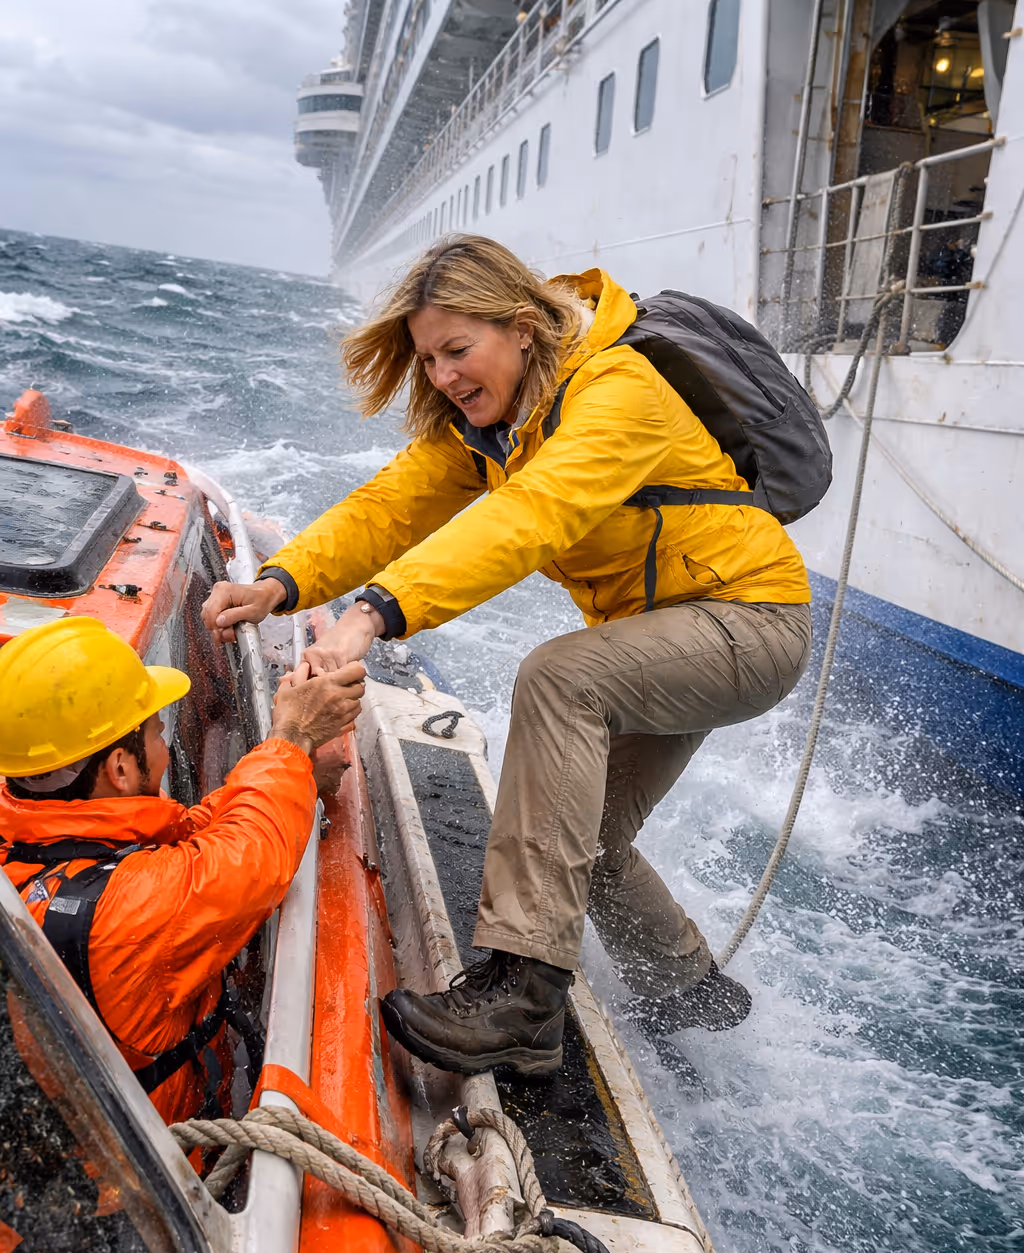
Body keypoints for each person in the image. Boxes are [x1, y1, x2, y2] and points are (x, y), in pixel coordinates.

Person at [201, 235, 813, 1078]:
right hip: (665, 630)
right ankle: (690, 998)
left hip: (750, 621)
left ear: (523, 327)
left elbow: (529, 518)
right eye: (429, 359)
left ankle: (523, 999)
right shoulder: (498, 424)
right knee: (587, 834)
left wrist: (373, 614)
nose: (443, 376)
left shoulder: (619, 390)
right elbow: (391, 506)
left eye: (458, 350)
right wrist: (281, 583)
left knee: (561, 676)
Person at [0, 615, 365, 1124]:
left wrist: (289, 763)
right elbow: (249, 857)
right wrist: (292, 736)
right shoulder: (129, 907)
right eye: (158, 733)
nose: (166, 750)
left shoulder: (33, 837)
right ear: (120, 769)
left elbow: (192, 839)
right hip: (151, 1164)